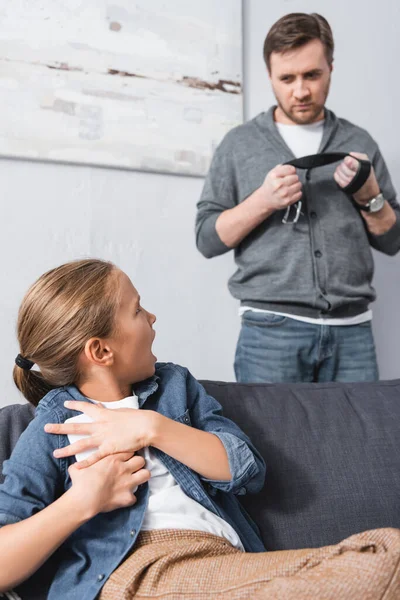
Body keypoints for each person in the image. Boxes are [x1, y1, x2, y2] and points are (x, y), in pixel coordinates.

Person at [0, 259, 399, 600]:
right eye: (138, 310)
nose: (152, 317)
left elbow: (245, 469)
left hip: (225, 561)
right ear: (101, 351)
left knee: (389, 548)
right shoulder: (56, 426)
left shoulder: (175, 389)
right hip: (139, 573)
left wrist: (150, 426)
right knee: (388, 566)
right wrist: (83, 501)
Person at [195, 12, 400, 384]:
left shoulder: (361, 143)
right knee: (271, 442)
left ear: (331, 69)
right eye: (286, 78)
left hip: (353, 332)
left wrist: (370, 197)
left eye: (312, 75)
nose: (301, 91)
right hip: (270, 333)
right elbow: (207, 240)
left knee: (361, 441)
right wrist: (262, 202)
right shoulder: (239, 145)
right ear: (269, 76)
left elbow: (392, 240)